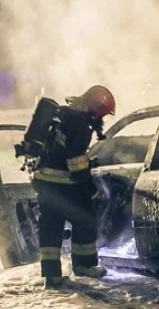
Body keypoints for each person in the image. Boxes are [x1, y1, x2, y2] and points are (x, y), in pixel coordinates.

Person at [31, 85, 115, 288]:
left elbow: (61, 151)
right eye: (102, 114)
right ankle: (85, 266)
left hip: (44, 182)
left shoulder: (63, 116)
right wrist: (92, 191)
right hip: (63, 185)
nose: (101, 118)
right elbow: (75, 163)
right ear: (95, 107)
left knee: (51, 227)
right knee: (85, 219)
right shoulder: (80, 124)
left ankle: (51, 276)